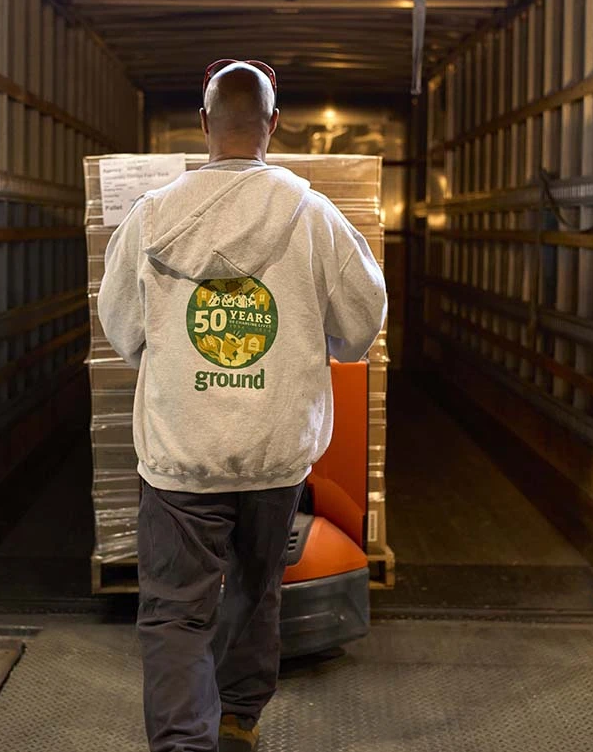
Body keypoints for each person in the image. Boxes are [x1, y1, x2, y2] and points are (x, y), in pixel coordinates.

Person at [98, 60, 387, 752]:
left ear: (202, 125)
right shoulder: (314, 217)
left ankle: (181, 743)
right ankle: (238, 720)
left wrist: (175, 368)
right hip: (273, 452)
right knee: (255, 592)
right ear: (273, 125)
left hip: (180, 457)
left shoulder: (152, 217)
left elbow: (121, 326)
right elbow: (360, 323)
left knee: (174, 614)